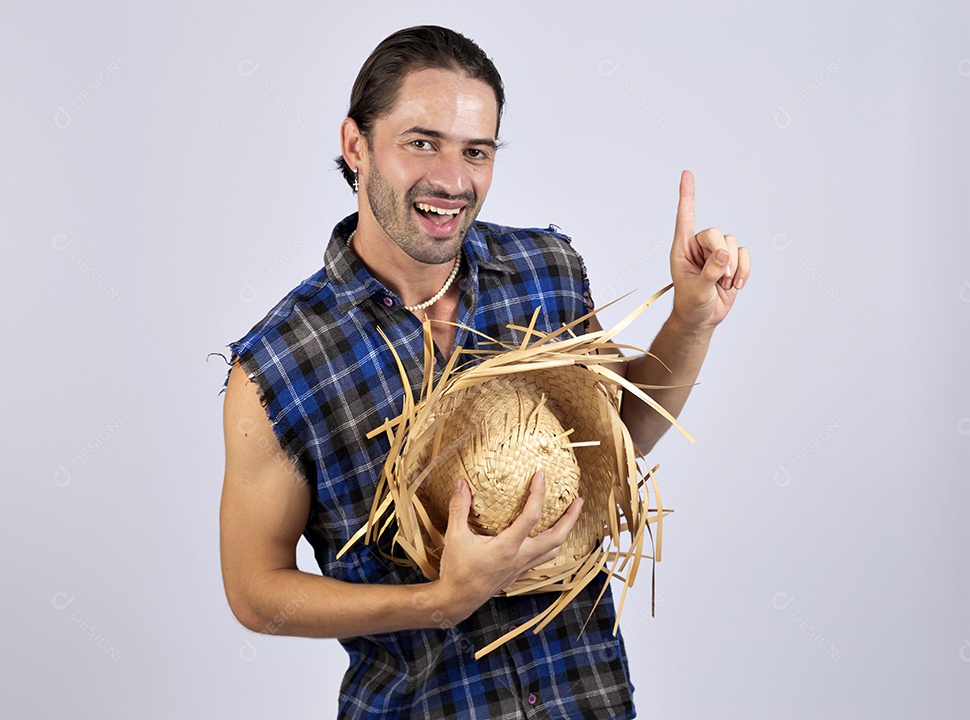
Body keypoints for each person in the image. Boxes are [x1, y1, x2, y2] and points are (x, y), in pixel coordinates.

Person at [220, 24, 750, 720]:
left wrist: (690, 320)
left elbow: (616, 441)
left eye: (476, 150)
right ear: (356, 146)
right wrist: (437, 603)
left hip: (584, 701)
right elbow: (257, 591)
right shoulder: (280, 365)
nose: (452, 179)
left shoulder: (546, 271)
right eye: (421, 142)